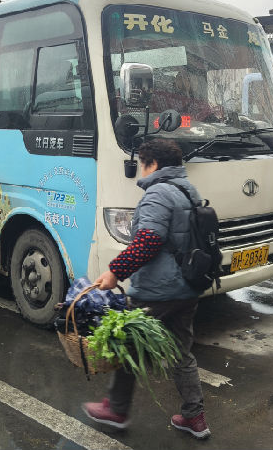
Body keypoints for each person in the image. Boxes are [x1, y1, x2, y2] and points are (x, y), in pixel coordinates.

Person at [82, 138, 210, 440]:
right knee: (181, 352)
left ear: (152, 164)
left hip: (158, 290)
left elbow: (148, 242)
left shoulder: (157, 194)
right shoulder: (187, 191)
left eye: (142, 162)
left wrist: (115, 271)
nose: (140, 168)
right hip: (187, 287)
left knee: (126, 346)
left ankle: (116, 409)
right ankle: (195, 418)